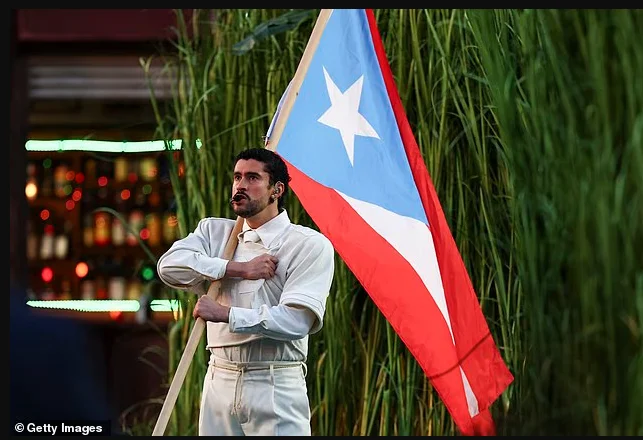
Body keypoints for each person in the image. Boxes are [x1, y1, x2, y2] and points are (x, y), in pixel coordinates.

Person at [156, 147, 335, 436]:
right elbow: (168, 267)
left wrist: (226, 314)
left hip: (274, 381)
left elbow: (296, 322)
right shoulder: (214, 233)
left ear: (277, 190)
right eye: (237, 177)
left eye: (253, 178)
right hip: (219, 377)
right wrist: (237, 269)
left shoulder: (308, 244)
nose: (240, 185)